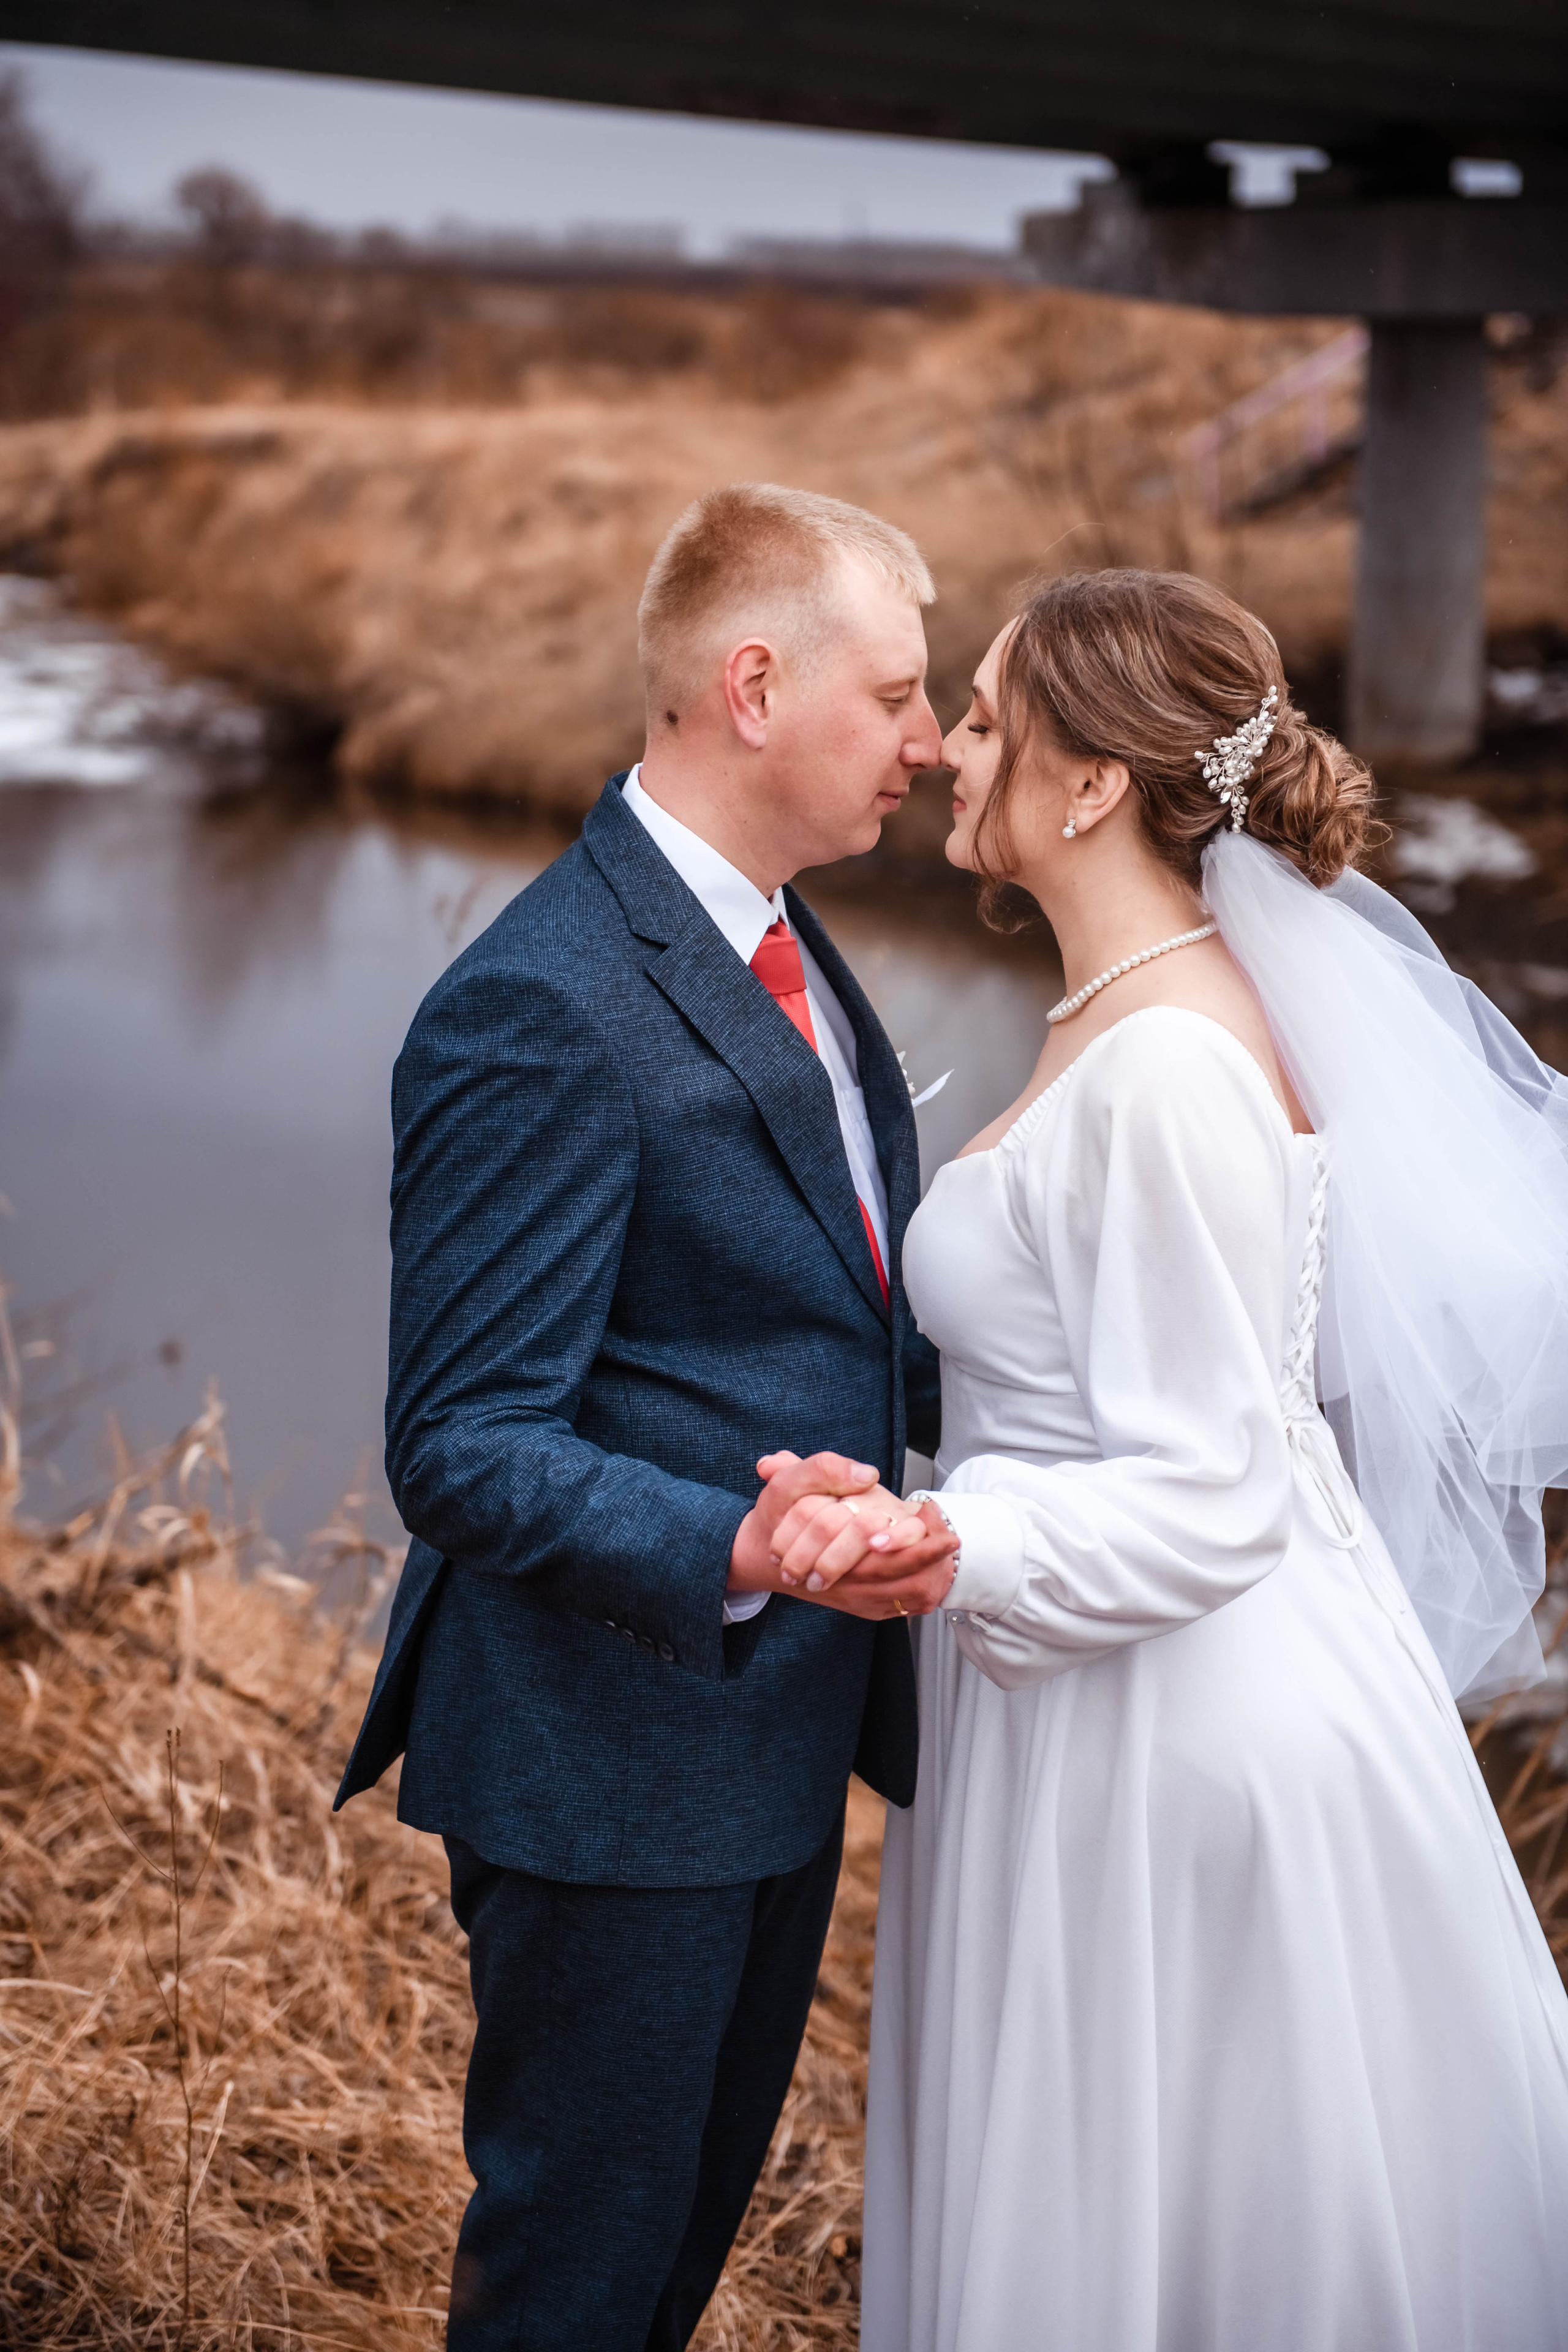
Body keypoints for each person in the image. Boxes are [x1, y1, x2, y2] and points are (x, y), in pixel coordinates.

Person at [774, 568, 1568, 2350]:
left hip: (1165, 1734)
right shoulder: (1121, 1019)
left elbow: (1211, 1481)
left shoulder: (1166, 1075)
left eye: (985, 720)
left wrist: (946, 1543)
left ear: (1088, 785)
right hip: (1089, 1688)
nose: (947, 751)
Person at [333, 483, 959, 2351]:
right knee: (578, 2287)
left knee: (671, 2261)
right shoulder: (542, 1004)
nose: (930, 745)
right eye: (901, 696)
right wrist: (739, 1542)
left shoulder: (783, 939)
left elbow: (828, 1306)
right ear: (753, 686)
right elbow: (459, 1439)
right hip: (608, 1764)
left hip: (756, 1743)